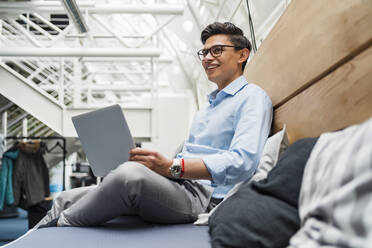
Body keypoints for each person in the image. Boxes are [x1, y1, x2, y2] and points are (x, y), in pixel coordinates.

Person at [36, 22, 272, 228]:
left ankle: (64, 224)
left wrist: (173, 167)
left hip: (205, 197)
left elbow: (243, 161)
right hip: (181, 185)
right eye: (205, 52)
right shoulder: (208, 107)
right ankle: (40, 231)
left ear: (242, 55)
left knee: (129, 177)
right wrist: (159, 167)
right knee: (65, 198)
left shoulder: (252, 97)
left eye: (217, 50)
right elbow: (182, 161)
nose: (208, 58)